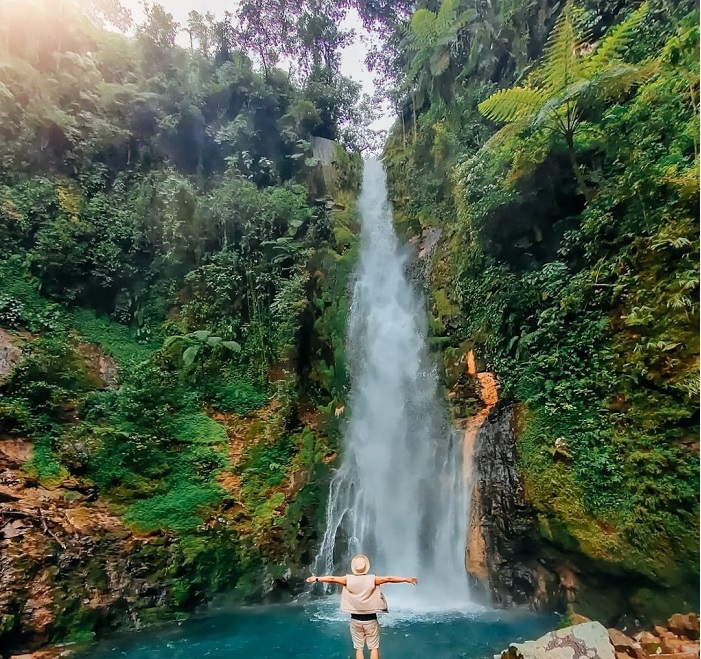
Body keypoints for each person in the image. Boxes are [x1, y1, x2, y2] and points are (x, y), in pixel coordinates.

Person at [307, 554, 418, 659]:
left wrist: (316, 579)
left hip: (355, 620)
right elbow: (388, 579)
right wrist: (406, 579)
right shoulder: (373, 579)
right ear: (366, 568)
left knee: (358, 648)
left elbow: (332, 579)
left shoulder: (347, 580)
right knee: (373, 647)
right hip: (370, 619)